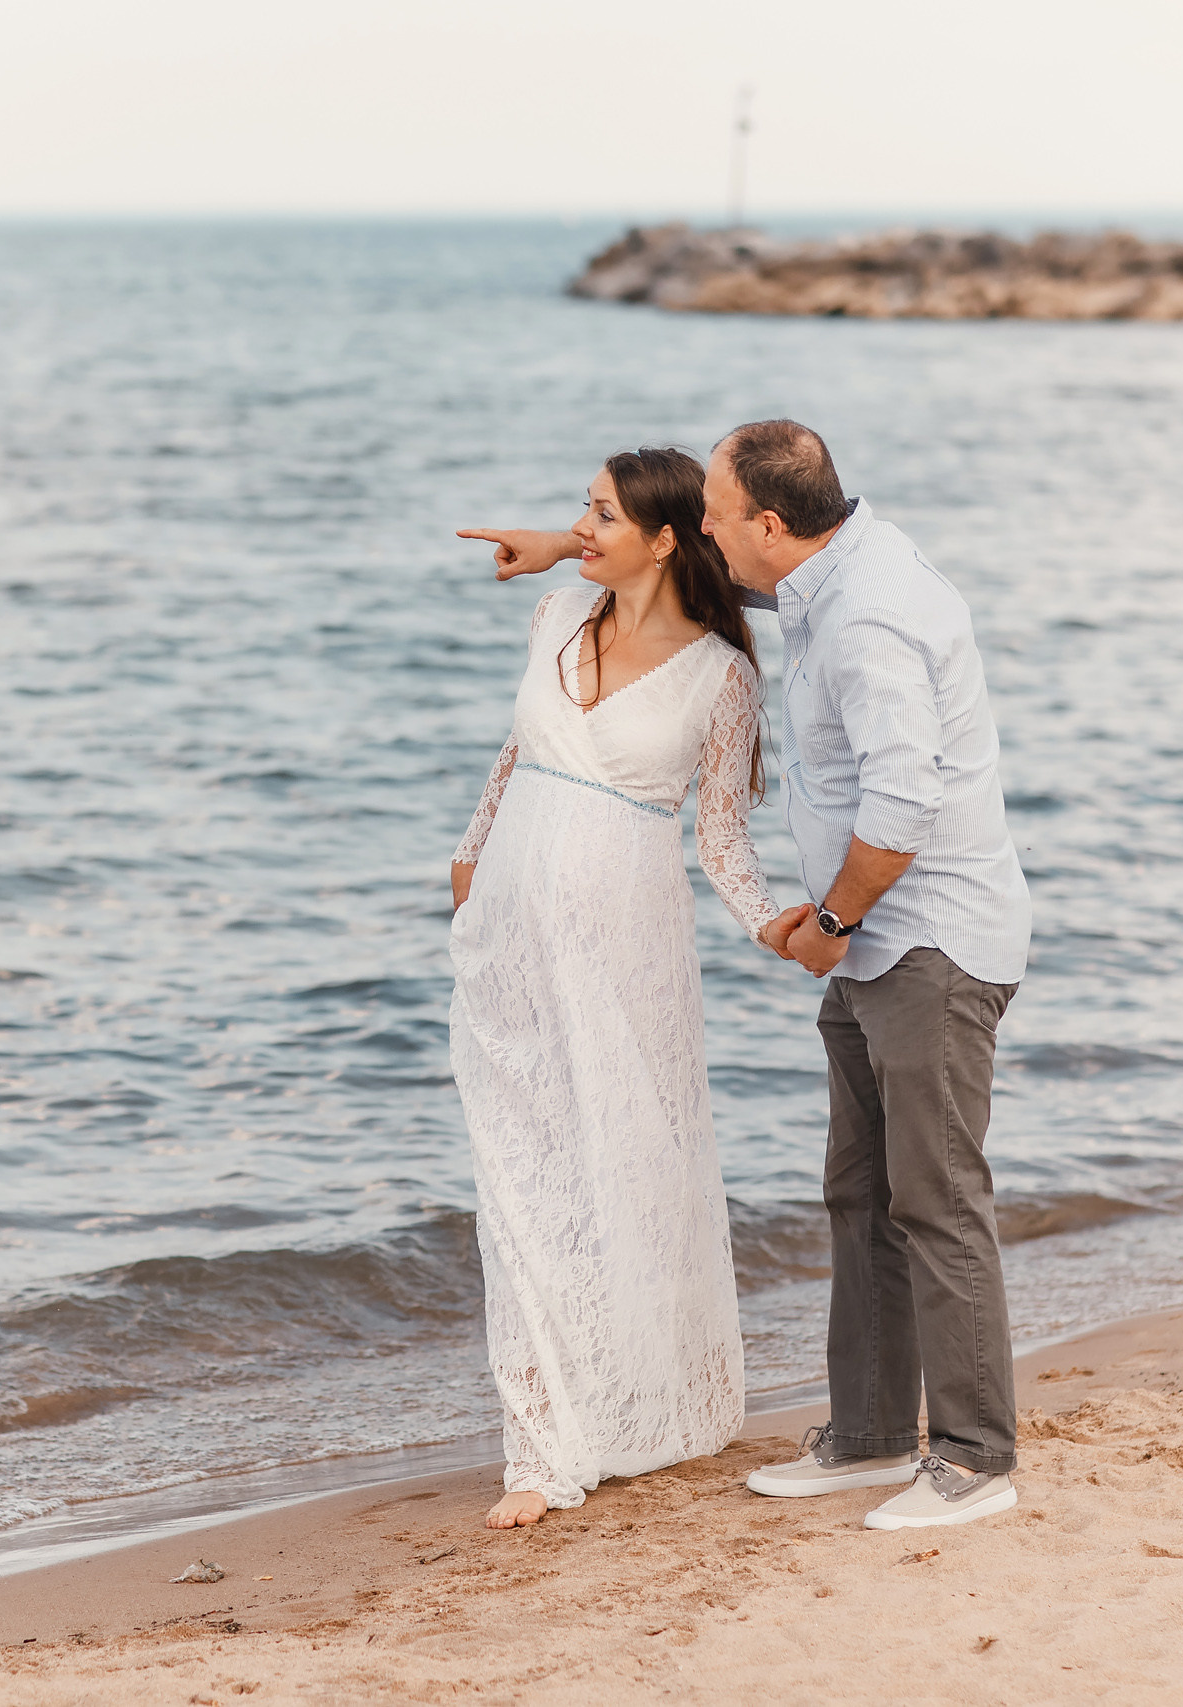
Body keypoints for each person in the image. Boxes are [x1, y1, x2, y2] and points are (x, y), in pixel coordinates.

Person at [458, 420, 1031, 1532]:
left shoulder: (865, 619)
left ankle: (972, 1461)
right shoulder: (826, 573)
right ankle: (867, 1436)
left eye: (719, 518)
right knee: (861, 1197)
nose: (711, 537)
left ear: (768, 523)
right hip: (874, 946)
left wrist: (824, 920)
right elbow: (684, 580)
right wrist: (563, 543)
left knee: (936, 1203)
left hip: (924, 940)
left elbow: (903, 807)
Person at [447, 446, 807, 1530]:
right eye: (578, 510)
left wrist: (775, 926)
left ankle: (617, 1413)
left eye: (599, 513)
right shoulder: (557, 613)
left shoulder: (723, 676)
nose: (578, 525)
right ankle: (541, 1438)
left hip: (627, 945)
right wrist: (466, 873)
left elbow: (722, 837)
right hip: (506, 930)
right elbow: (512, 762)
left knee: (626, 1168)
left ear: (662, 538)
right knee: (520, 1174)